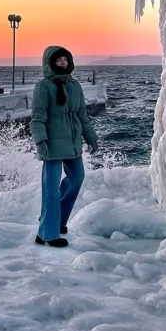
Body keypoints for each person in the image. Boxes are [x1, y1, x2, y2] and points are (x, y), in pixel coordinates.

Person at [30, 45, 98, 247]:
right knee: (51, 190)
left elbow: (82, 116)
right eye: (58, 60)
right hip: (51, 143)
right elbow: (37, 118)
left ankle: (56, 220)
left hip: (72, 142)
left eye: (65, 60)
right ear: (50, 63)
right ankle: (47, 234)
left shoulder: (74, 85)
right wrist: (40, 141)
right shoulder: (43, 86)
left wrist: (91, 138)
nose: (63, 63)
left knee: (77, 178)